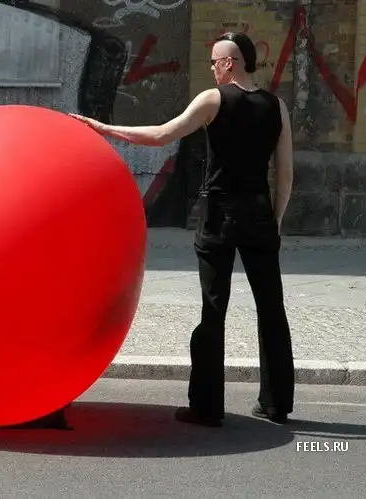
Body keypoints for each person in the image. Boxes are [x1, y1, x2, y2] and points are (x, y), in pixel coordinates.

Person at [70, 32, 295, 427]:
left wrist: (103, 128)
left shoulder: (213, 100)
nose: (212, 69)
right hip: (259, 213)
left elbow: (162, 134)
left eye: (215, 62)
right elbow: (286, 174)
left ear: (230, 63)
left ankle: (207, 408)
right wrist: (274, 220)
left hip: (219, 215)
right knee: (272, 308)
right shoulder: (277, 106)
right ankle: (276, 404)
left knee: (214, 307)